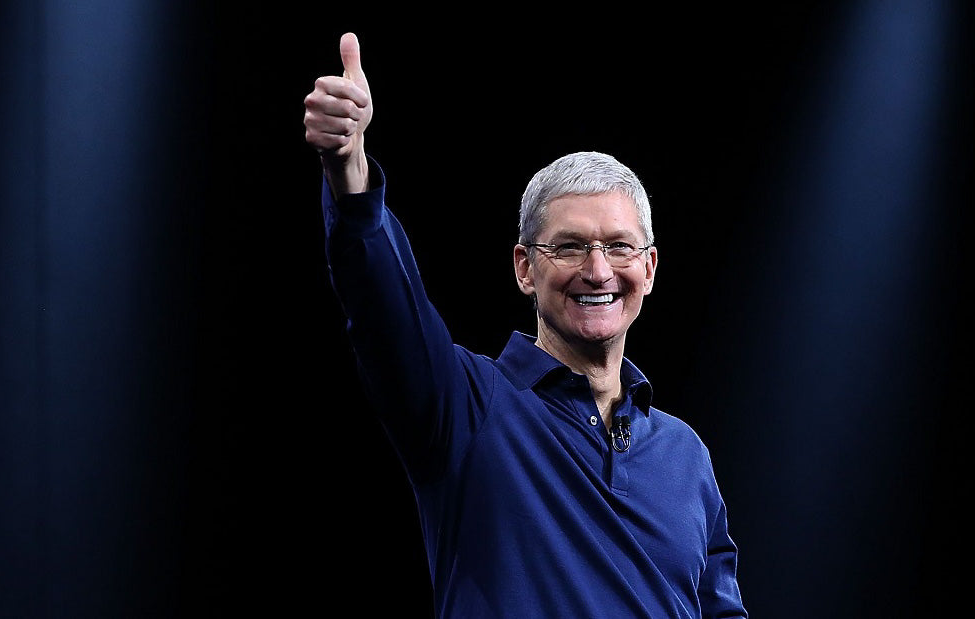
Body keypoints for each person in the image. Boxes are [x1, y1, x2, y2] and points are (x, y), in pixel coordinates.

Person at [303, 31, 747, 618]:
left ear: (649, 266)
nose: (596, 271)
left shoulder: (686, 456)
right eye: (568, 247)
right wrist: (350, 170)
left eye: (618, 247)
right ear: (525, 268)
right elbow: (386, 307)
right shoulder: (467, 408)